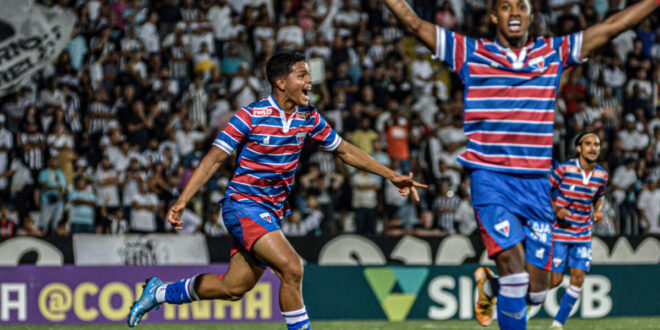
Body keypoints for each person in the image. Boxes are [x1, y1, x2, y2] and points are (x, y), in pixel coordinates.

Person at [383, 0, 659, 328]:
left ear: (531, 14)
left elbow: (612, 27)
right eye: (506, 6)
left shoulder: (552, 53)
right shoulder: (470, 52)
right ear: (493, 15)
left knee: (539, 291)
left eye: (521, 6)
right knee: (514, 269)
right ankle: (502, 282)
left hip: (537, 185)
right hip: (492, 179)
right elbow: (414, 24)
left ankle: (491, 285)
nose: (514, 12)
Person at [128, 52, 426, 329]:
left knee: (232, 288)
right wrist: (182, 200)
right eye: (302, 75)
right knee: (292, 268)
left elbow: (345, 151)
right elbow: (213, 160)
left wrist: (391, 176)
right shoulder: (251, 116)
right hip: (242, 205)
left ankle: (160, 292)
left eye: (308, 74)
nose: (310, 80)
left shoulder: (308, 117)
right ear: (281, 83)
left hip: (269, 211)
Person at [547, 132, 608, 329]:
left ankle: (558, 324)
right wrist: (556, 210)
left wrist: (597, 210)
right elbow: (544, 190)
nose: (593, 148)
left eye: (596, 144)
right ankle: (517, 296)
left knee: (578, 278)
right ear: (579, 148)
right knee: (555, 280)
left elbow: (600, 195)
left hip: (582, 234)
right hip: (559, 233)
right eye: (588, 144)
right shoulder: (564, 169)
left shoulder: (601, 175)